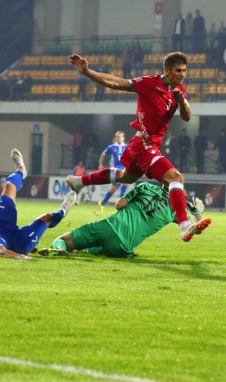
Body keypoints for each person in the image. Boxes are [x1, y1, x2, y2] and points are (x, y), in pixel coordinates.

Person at [65, 52, 211, 242]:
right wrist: (87, 72)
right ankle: (184, 225)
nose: (182, 74)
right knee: (176, 177)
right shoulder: (149, 83)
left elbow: (186, 117)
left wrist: (181, 101)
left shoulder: (179, 89)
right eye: (178, 70)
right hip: (143, 144)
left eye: (184, 70)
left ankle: (79, 182)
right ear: (167, 70)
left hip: (148, 145)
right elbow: (116, 82)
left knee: (126, 177)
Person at [38, 182, 205, 258]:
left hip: (110, 227)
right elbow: (194, 228)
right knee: (101, 248)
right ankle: (81, 250)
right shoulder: (176, 209)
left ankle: (59, 249)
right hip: (124, 249)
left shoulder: (145, 186)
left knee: (63, 240)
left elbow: (119, 205)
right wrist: (197, 214)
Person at [97, 131, 129, 214]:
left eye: (120, 136)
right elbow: (103, 154)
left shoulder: (126, 147)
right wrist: (101, 164)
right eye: (117, 137)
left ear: (123, 138)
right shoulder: (111, 147)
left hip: (124, 169)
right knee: (114, 189)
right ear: (115, 138)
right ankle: (103, 203)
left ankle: (119, 205)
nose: (119, 138)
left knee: (125, 184)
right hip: (115, 169)